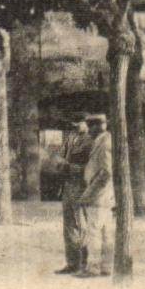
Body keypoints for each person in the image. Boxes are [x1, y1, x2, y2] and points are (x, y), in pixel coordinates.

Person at [77, 113, 115, 277]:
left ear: (96, 127)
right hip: (105, 195)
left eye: (90, 127)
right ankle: (106, 267)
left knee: (94, 232)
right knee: (106, 232)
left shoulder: (104, 143)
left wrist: (89, 193)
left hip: (99, 195)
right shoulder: (103, 141)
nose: (88, 131)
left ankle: (93, 268)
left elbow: (106, 172)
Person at [55, 114, 93, 274]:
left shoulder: (91, 141)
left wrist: (69, 166)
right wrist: (59, 163)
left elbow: (91, 168)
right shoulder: (70, 138)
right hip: (68, 185)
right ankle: (72, 263)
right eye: (74, 123)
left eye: (79, 123)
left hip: (81, 186)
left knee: (82, 225)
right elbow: (59, 156)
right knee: (69, 226)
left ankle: (85, 263)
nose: (76, 126)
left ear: (87, 123)